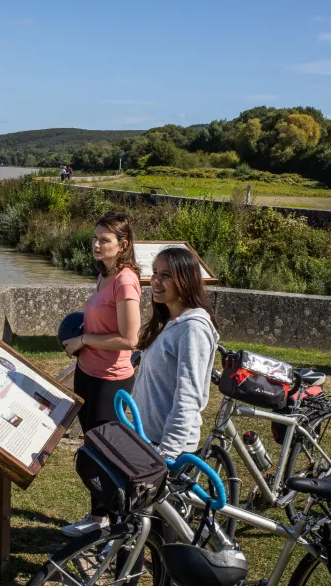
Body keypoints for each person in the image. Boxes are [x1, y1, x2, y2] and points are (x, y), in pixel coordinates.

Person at [60, 211, 142, 537]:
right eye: (94, 238)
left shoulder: (125, 281)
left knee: (109, 457)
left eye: (104, 240)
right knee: (93, 450)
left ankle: (118, 525)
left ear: (122, 245)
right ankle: (99, 519)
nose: (96, 244)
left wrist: (83, 339)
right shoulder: (104, 275)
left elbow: (129, 338)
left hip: (110, 381)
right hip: (87, 373)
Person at [132, 246, 220, 463]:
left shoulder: (193, 329)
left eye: (166, 275)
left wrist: (167, 453)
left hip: (168, 448)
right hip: (147, 438)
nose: (155, 281)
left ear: (185, 280)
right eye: (154, 272)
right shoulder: (169, 322)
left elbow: (188, 397)